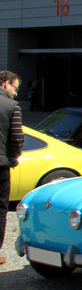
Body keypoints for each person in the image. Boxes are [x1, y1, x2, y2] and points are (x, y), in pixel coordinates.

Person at [0, 71, 24, 263]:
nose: (15, 93)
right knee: (1, 208)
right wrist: (13, 157)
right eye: (14, 87)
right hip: (0, 165)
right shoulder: (11, 106)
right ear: (6, 84)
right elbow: (17, 138)